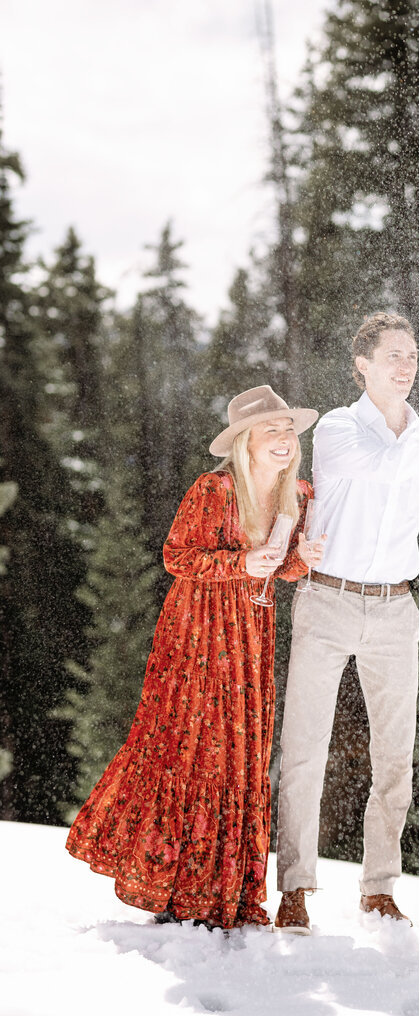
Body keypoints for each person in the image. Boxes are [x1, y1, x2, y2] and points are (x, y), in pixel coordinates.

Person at [275, 312, 419, 933]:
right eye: (393, 356)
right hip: (326, 602)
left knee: (395, 758)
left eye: (412, 356)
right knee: (304, 752)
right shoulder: (337, 430)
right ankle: (294, 887)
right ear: (363, 365)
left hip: (396, 610)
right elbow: (386, 466)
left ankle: (378, 888)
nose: (406, 366)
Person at [66, 385, 324, 930]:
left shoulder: (296, 494)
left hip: (251, 634)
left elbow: (281, 570)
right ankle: (174, 888)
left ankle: (222, 894)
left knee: (238, 756)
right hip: (198, 633)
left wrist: (301, 558)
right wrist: (240, 564)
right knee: (192, 748)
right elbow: (176, 556)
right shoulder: (215, 489)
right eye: (270, 430)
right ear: (245, 441)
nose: (283, 439)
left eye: (288, 430)